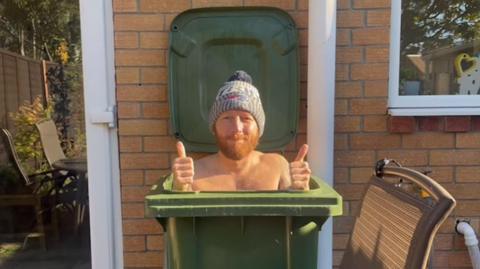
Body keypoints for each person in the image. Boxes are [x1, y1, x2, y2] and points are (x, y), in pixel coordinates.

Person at [172, 71, 311, 191]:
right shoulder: (194, 175)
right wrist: (180, 190)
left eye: (246, 119)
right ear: (214, 127)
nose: (237, 128)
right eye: (227, 118)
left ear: (259, 128)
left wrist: (300, 191)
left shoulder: (279, 167)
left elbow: (296, 217)